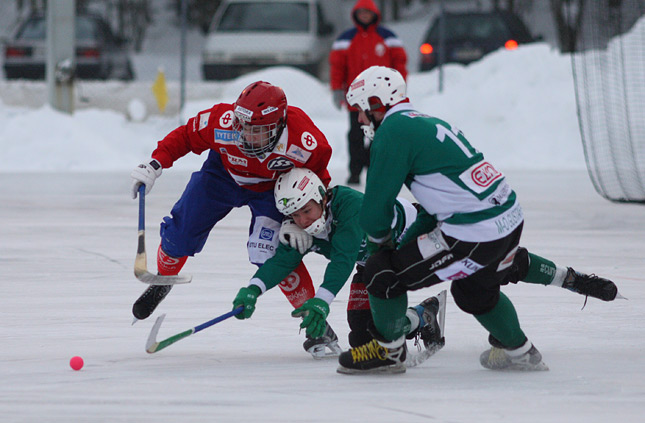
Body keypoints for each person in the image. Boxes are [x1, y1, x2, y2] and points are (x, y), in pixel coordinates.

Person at [336, 66, 621, 374]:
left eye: (362, 111)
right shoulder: (423, 122)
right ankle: (522, 352)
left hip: (474, 231)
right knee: (474, 291)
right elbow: (436, 207)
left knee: (381, 271)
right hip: (508, 219)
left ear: (377, 103)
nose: (361, 119)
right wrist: (407, 244)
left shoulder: (393, 133)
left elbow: (376, 214)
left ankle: (389, 352)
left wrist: (385, 250)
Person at [130, 81, 337, 354]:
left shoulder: (305, 141)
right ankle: (164, 280)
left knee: (273, 252)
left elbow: (318, 179)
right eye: (242, 125)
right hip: (221, 177)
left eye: (256, 130)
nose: (244, 134)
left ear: (278, 126)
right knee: (179, 234)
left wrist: (296, 221)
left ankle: (315, 322)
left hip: (272, 191)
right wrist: (155, 163)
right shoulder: (224, 122)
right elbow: (186, 136)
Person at [231, 167, 448, 359]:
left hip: (414, 244)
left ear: (323, 198)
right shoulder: (301, 227)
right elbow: (282, 262)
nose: (303, 221)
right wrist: (252, 289)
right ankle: (423, 316)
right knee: (363, 340)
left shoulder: (350, 206)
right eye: (294, 215)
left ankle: (418, 319)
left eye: (307, 211)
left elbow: (343, 259)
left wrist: (321, 301)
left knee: (385, 330)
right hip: (374, 265)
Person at [329, 0, 407, 185]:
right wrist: (337, 89)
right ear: (356, 14)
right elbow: (337, 67)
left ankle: (375, 169)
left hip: (381, 98)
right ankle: (354, 172)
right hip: (356, 97)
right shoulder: (345, 39)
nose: (364, 15)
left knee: (379, 136)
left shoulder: (388, 37)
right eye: (361, 12)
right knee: (355, 135)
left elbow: (399, 64)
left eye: (368, 12)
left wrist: (398, 89)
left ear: (374, 14)